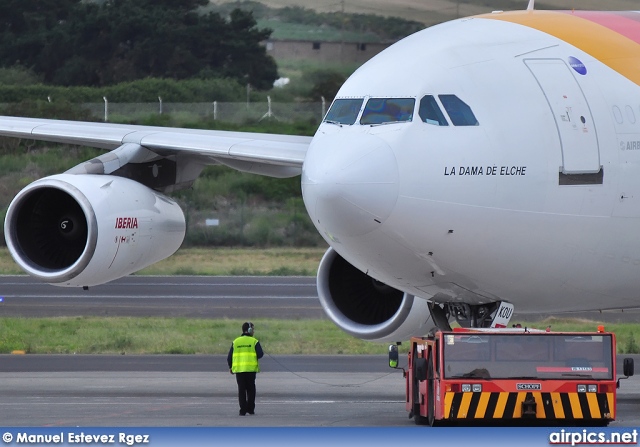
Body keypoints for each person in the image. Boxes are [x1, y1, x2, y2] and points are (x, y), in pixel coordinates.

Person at [227, 321, 264, 416]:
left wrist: (231, 367)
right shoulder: (254, 341)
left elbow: (229, 357)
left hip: (239, 370)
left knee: (241, 390)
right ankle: (250, 409)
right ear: (249, 330)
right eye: (253, 329)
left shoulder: (235, 342)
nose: (254, 332)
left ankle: (242, 410)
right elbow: (260, 355)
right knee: (251, 389)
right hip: (251, 370)